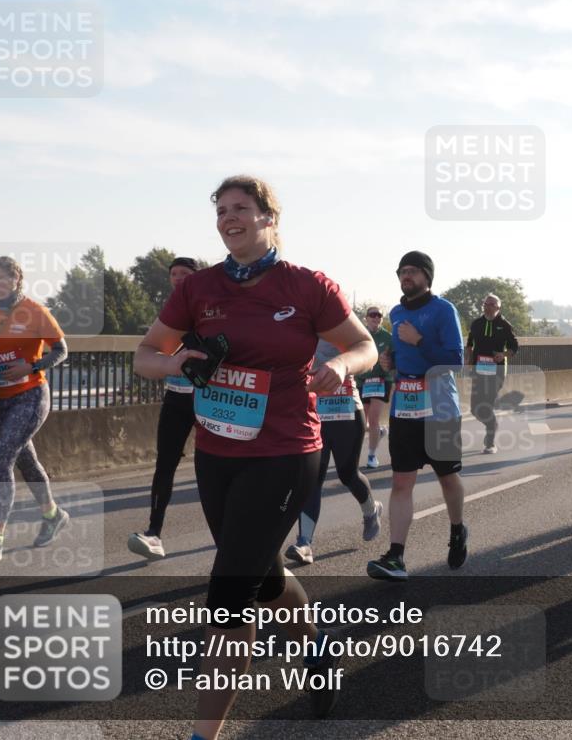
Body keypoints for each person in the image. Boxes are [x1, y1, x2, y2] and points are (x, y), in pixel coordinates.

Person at [134, 175, 377, 733]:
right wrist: (178, 363)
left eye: (240, 208)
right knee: (261, 579)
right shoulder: (199, 288)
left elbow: (363, 344)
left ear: (270, 217)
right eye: (220, 210)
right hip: (217, 452)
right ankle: (318, 653)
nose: (228, 218)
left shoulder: (307, 285)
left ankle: (202, 734)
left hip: (286, 450)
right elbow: (145, 355)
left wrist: (339, 366)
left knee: (228, 598)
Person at [366, 251, 467, 581]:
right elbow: (402, 354)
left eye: (412, 271)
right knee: (401, 481)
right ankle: (396, 556)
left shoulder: (443, 310)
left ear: (427, 276)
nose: (405, 276)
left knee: (447, 478)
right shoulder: (395, 313)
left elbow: (454, 361)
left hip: (439, 410)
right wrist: (390, 360)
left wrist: (419, 339)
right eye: (401, 271)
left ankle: (457, 529)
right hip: (405, 408)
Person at [0, 256, 70, 565]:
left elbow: (61, 350)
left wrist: (32, 365)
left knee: (2, 460)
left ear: (15, 278)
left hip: (29, 397)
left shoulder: (34, 312)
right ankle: (53, 515)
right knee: (26, 461)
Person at [285, 338, 384, 565]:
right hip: (314, 413)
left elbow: (367, 356)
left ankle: (371, 510)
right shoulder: (299, 325)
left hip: (346, 410)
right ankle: (305, 543)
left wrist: (341, 365)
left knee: (347, 474)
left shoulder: (341, 324)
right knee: (312, 478)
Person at [128, 257, 200, 561]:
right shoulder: (168, 310)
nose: (178, 278)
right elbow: (154, 350)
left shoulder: (207, 304)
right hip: (176, 395)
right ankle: (154, 533)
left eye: (185, 273)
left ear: (197, 277)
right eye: (174, 274)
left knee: (217, 468)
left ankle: (234, 539)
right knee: (165, 463)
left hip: (209, 399)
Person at [465, 293, 519, 454]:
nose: (487, 306)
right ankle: (492, 424)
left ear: (498, 308)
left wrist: (503, 355)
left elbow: (514, 347)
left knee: (486, 405)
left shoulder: (505, 325)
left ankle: (490, 442)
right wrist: (468, 361)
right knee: (475, 409)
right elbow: (469, 344)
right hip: (478, 371)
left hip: (497, 372)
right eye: (485, 303)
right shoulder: (476, 324)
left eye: (491, 304)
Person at [355, 306, 394, 469]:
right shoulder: (359, 335)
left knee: (373, 418)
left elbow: (394, 360)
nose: (376, 318)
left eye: (379, 315)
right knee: (362, 422)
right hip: (362, 381)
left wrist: (389, 366)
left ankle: (371, 456)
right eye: (372, 315)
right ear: (366, 318)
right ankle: (380, 432)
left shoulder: (388, 337)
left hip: (381, 381)